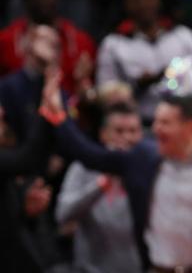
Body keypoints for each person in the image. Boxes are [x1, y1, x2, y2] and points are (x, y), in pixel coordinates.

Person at [40, 77, 192, 272]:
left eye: (165, 123)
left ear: (189, 127)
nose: (156, 129)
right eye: (155, 121)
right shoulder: (143, 158)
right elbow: (87, 153)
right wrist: (59, 117)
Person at [97, 0, 192, 122]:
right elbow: (105, 94)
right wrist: (136, 86)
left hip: (184, 124)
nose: (143, 4)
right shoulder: (113, 44)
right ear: (126, 4)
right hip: (138, 127)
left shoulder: (184, 36)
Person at [55, 103, 143, 273]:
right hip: (90, 268)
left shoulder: (148, 167)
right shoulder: (83, 168)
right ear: (104, 134)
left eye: (133, 131)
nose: (126, 137)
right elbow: (62, 215)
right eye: (119, 131)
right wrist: (99, 187)